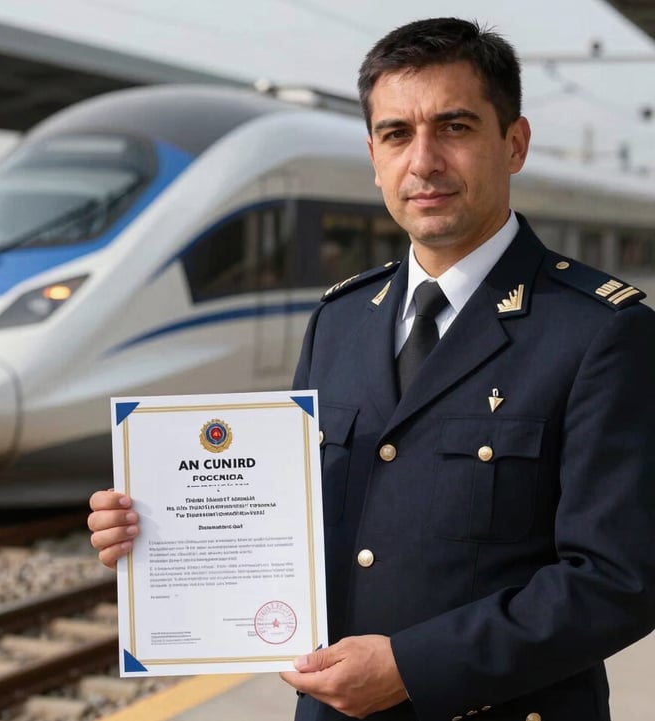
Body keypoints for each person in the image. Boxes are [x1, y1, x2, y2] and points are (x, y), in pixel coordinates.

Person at [87, 17, 655, 721]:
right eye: (396, 134)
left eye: (454, 127)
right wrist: (161, 533)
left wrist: (412, 668)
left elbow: (618, 581)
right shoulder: (341, 319)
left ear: (514, 144)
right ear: (373, 155)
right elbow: (290, 524)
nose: (423, 161)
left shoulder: (602, 330)